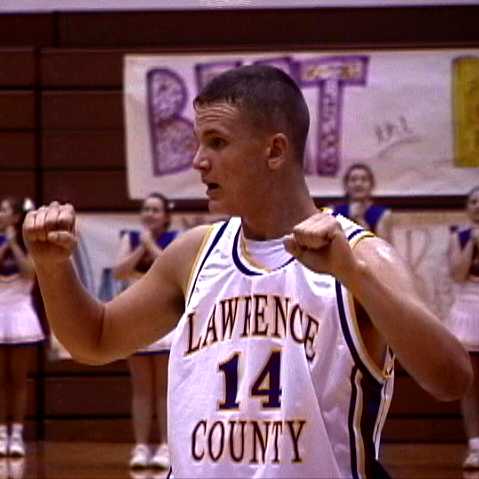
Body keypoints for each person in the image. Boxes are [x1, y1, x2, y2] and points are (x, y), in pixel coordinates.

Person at [23, 65, 472, 478]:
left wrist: (354, 275)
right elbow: (96, 339)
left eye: (217, 142)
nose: (198, 160)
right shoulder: (193, 254)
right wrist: (51, 266)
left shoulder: (361, 257)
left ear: (274, 150)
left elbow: (451, 378)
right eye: (199, 142)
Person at [112, 193, 178, 469]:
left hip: (165, 320)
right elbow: (119, 272)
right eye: (146, 209)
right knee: (140, 389)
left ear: (166, 216)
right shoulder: (130, 238)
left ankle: (165, 445)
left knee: (164, 389)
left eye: (155, 209)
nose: (150, 213)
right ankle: (140, 446)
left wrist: (152, 245)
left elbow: (174, 271)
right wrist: (142, 247)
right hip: (136, 320)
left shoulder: (176, 239)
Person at [0, 197, 44, 458]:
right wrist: (4, 243)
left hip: (20, 313)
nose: (0, 213)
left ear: (16, 217)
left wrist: (14, 243)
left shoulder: (28, 242)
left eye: (4, 210)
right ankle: (0, 433)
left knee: (18, 380)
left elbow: (30, 274)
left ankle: (16, 433)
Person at [447, 186, 479, 470]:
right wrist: (473, 243)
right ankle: (475, 447)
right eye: (473, 201)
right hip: (468, 310)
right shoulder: (459, 235)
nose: (478, 205)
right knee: (471, 384)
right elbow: (458, 274)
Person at [334, 163, 393, 242]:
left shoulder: (382, 214)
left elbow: (383, 247)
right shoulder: (334, 213)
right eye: (353, 180)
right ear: (346, 185)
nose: (358, 184)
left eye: (364, 180)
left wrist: (359, 219)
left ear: (372, 185)